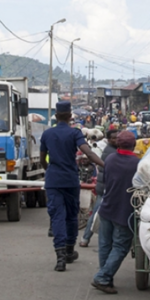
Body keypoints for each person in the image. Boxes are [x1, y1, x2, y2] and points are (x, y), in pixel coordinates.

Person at [41, 100, 104, 272]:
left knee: (57, 217)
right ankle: (69, 250)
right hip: (70, 180)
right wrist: (105, 165)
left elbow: (42, 159)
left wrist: (50, 172)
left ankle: (60, 257)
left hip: (53, 180)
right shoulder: (74, 133)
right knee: (71, 215)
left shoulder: (47, 134)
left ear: (56, 115)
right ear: (70, 116)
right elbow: (88, 153)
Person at [91, 131, 139, 294]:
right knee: (120, 246)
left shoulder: (110, 159)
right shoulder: (137, 164)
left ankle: (106, 278)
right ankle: (103, 277)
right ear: (134, 145)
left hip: (107, 207)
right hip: (124, 210)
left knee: (105, 245)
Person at [81, 127, 119, 247]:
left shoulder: (111, 150)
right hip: (106, 187)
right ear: (108, 139)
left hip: (105, 186)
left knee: (97, 213)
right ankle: (85, 238)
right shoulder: (111, 152)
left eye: (118, 138)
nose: (116, 140)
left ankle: (85, 238)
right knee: (97, 213)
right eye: (113, 138)